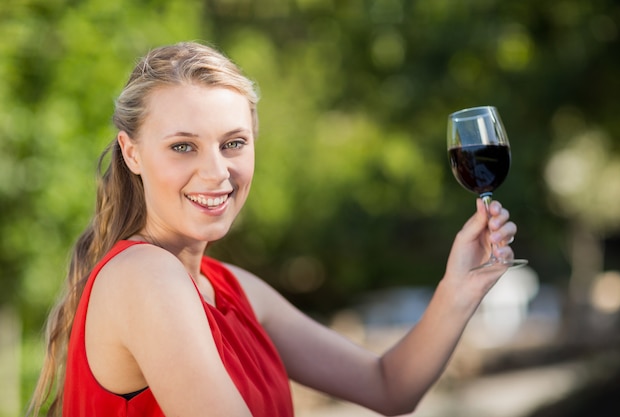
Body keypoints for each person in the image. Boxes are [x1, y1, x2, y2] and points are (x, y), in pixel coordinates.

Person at [27, 41, 519, 417]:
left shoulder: (232, 287)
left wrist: (461, 286)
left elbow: (389, 385)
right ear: (131, 152)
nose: (217, 171)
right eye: (183, 146)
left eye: (233, 143)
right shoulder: (143, 276)